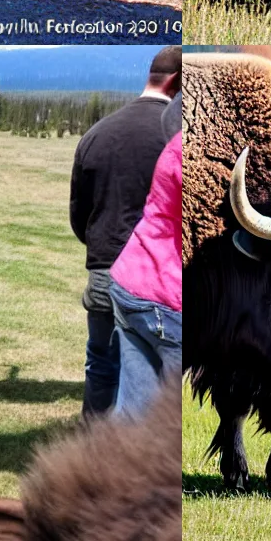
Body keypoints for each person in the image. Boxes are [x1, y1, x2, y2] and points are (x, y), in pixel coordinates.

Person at [70, 47, 181, 417]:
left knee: (100, 365)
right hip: (162, 287)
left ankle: (92, 453)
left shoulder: (97, 133)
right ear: (178, 84)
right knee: (154, 387)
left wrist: (103, 252)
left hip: (105, 274)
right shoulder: (175, 138)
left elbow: (78, 215)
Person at [108, 129, 181, 417]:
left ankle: (109, 460)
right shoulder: (200, 150)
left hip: (130, 281)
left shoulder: (177, 143)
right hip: (168, 299)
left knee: (132, 413)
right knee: (172, 420)